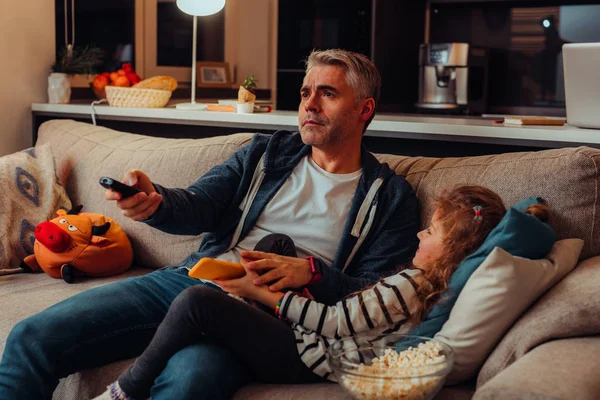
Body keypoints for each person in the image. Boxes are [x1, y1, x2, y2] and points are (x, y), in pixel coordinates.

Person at [0, 49, 420, 400]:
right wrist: (156, 202)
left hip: (269, 318)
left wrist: (312, 274)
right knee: (30, 337)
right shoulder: (266, 154)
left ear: (365, 109)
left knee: (189, 383)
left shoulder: (391, 198)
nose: (309, 104)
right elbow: (201, 203)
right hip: (194, 281)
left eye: (327, 94)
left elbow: (376, 297)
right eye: (306, 92)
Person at [93, 185, 549, 400]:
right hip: (316, 334)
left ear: (453, 250)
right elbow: (353, 315)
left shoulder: (412, 284)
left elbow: (335, 324)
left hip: (305, 356)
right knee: (276, 249)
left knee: (196, 300)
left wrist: (268, 297)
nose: (417, 238)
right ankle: (236, 305)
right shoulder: (422, 283)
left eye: (428, 232)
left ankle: (128, 389)